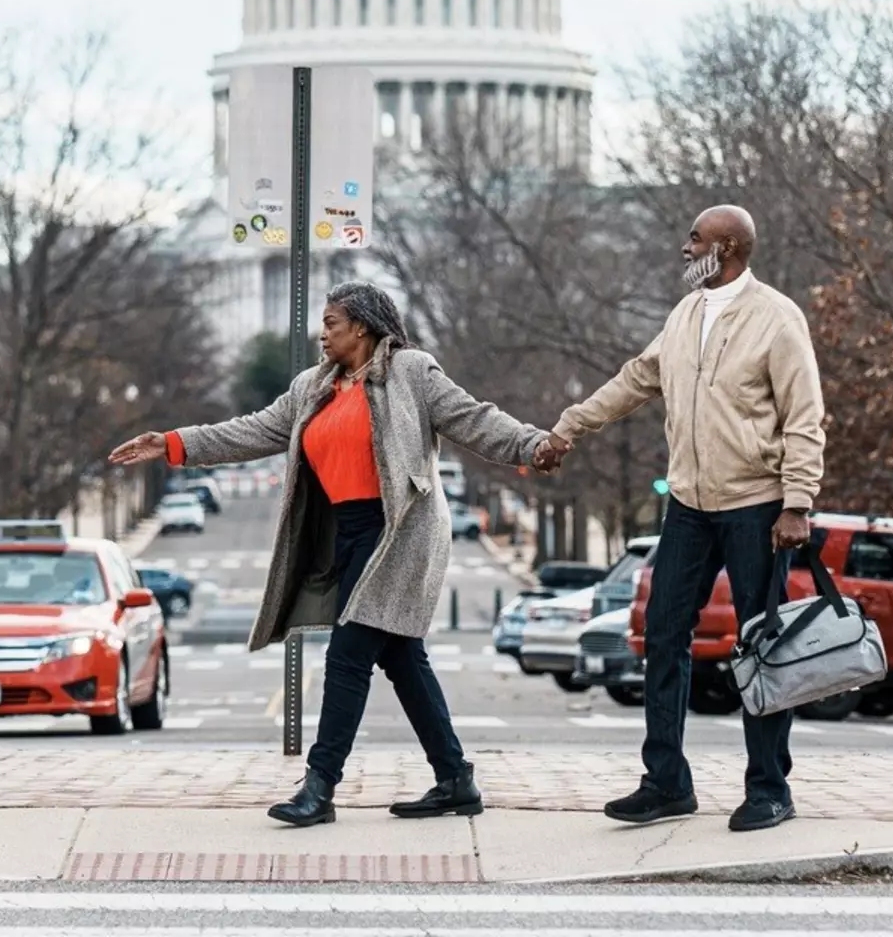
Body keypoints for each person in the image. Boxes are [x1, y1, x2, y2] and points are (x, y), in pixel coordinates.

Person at [108, 281, 548, 828]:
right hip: (347, 532)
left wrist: (531, 444)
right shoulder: (312, 387)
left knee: (347, 655)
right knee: (401, 658)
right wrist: (174, 443)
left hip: (398, 532)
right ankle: (455, 777)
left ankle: (319, 785)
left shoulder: (410, 372)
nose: (323, 333)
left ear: (361, 327)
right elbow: (252, 430)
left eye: (332, 323)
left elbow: (473, 418)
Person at [534, 205, 825, 833]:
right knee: (663, 634)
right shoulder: (686, 314)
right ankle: (666, 783)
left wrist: (797, 502)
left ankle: (770, 788)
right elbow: (637, 378)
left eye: (695, 239)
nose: (684, 248)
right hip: (690, 505)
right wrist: (569, 427)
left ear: (728, 248)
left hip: (755, 504)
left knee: (760, 644)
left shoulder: (777, 318)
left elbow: (805, 416)